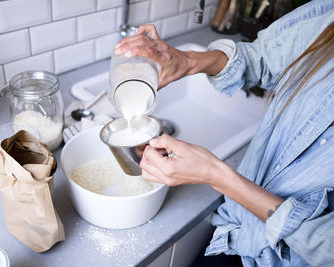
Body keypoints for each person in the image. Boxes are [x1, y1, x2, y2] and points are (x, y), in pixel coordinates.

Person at [114, 0, 334, 266]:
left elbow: (325, 245)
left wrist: (216, 175)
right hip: (236, 233)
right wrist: (186, 61)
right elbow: (263, 58)